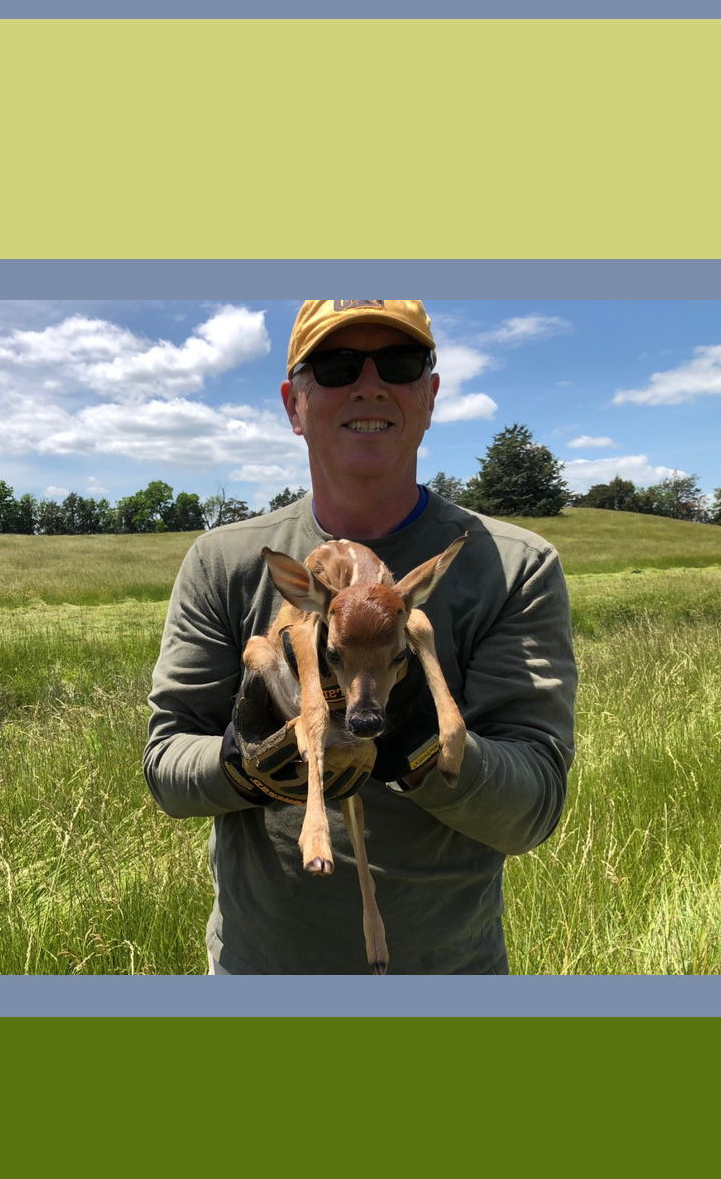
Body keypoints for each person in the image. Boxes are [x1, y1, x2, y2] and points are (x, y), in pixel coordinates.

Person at [143, 299, 577, 974]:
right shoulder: (225, 561)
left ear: (430, 397)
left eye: (399, 364)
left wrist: (420, 747)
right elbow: (166, 766)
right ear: (294, 404)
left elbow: (533, 809)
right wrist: (244, 762)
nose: (369, 384)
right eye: (338, 365)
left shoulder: (515, 566)